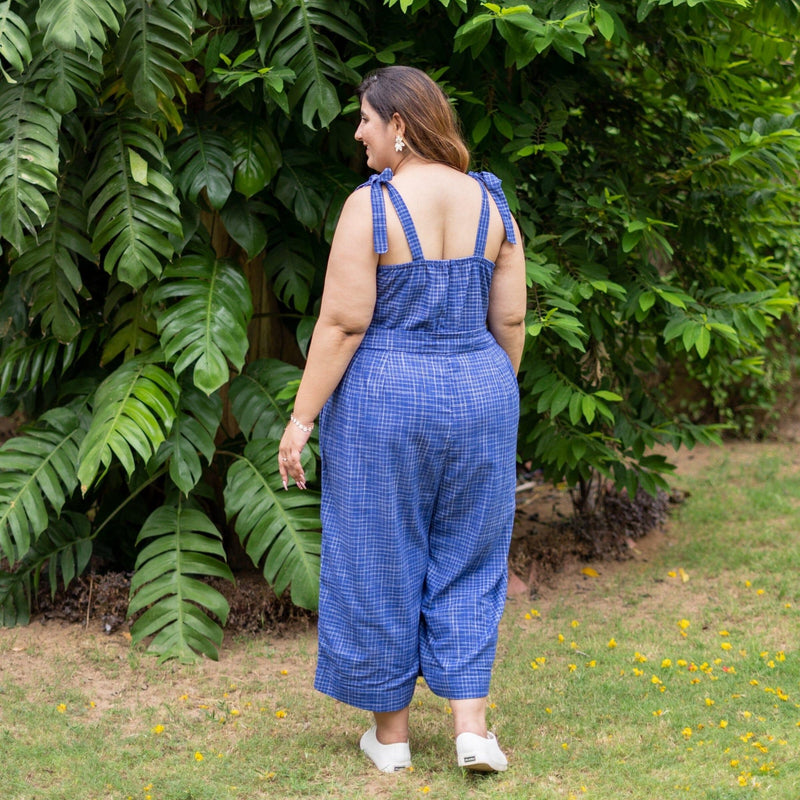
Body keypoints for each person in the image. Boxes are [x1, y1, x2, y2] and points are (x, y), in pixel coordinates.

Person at [278, 65, 526, 774]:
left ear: (401, 127)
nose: (357, 132)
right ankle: (472, 731)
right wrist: (486, 394)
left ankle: (391, 741)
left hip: (386, 396)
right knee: (471, 553)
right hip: (480, 388)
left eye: (365, 119)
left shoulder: (373, 206)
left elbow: (344, 322)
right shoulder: (492, 203)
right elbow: (509, 316)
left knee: (379, 552)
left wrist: (301, 419)